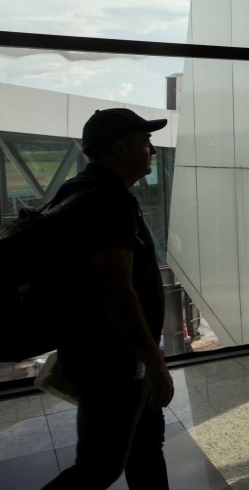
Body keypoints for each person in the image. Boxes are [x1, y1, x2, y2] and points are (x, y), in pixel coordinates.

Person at [43, 108, 175, 489]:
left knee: (145, 448)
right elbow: (116, 291)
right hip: (112, 361)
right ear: (119, 147)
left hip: (105, 354)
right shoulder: (106, 200)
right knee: (99, 466)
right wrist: (152, 360)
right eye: (144, 139)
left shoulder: (80, 190)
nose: (152, 148)